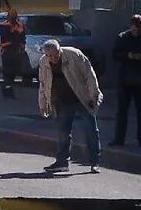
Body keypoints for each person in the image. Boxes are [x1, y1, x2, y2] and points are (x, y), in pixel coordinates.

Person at [38, 39, 103, 174]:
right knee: (63, 132)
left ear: (60, 50)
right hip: (62, 100)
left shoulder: (74, 55)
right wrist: (44, 103)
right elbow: (43, 84)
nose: (53, 58)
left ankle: (94, 162)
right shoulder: (43, 62)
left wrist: (93, 95)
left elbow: (90, 75)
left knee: (91, 130)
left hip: (81, 97)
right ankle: (62, 162)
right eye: (49, 56)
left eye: (55, 55)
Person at [110, 14, 141, 148]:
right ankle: (119, 139)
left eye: (138, 29)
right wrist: (128, 55)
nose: (136, 31)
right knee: (122, 111)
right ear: (130, 27)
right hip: (125, 79)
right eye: (134, 29)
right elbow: (115, 55)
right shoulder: (123, 37)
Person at [0, 8, 25, 98]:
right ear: (8, 17)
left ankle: (8, 89)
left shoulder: (20, 25)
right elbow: (5, 35)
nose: (13, 18)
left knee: (13, 72)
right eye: (11, 16)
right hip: (6, 51)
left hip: (16, 52)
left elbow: (22, 37)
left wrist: (22, 47)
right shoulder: (3, 25)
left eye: (14, 16)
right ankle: (7, 91)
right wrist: (14, 29)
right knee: (7, 72)